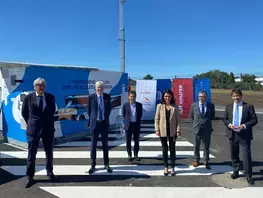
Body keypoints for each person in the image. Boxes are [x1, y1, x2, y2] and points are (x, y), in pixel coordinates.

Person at [22, 77, 57, 188]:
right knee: (31, 154)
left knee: (49, 152)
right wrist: (32, 123)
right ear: (35, 87)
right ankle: (30, 176)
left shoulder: (51, 97)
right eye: (38, 85)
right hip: (33, 129)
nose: (41, 87)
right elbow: (24, 113)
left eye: (42, 85)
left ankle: (49, 172)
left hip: (48, 129)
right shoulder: (28, 98)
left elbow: (52, 112)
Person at [223, 88, 258, 185]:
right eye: (234, 96)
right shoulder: (228, 107)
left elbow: (254, 120)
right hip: (232, 134)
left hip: (244, 135)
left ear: (241, 96)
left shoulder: (248, 106)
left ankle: (248, 175)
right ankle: (236, 171)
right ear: (232, 97)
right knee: (234, 155)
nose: (236, 97)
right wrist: (229, 125)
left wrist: (244, 125)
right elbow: (225, 119)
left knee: (246, 156)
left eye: (237, 95)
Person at [87, 81, 112, 174]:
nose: (99, 89)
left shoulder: (107, 96)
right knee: (93, 146)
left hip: (104, 124)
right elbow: (89, 110)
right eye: (98, 87)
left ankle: (106, 163)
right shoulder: (91, 97)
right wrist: (93, 119)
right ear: (95, 88)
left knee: (105, 145)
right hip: (95, 124)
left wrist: (105, 117)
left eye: (101, 87)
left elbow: (109, 108)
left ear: (103, 88)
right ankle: (93, 165)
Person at [154, 89, 181, 176]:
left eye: (169, 96)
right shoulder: (159, 106)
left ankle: (172, 167)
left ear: (171, 97)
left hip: (172, 132)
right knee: (164, 149)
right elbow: (156, 119)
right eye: (165, 96)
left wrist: (178, 131)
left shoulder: (175, 107)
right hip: (162, 131)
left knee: (172, 150)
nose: (167, 98)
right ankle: (166, 167)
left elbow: (178, 121)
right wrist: (157, 129)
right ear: (163, 97)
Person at [190, 91, 215, 170]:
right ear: (198, 97)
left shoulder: (210, 105)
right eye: (200, 96)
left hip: (207, 129)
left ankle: (206, 161)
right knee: (196, 146)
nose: (201, 98)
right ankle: (196, 160)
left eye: (203, 96)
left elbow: (212, 116)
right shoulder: (193, 105)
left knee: (206, 147)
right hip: (196, 129)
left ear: (206, 97)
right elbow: (192, 116)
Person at [122, 91, 143, 161]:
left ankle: (136, 154)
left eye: (133, 96)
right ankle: (129, 155)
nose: (132, 98)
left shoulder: (139, 105)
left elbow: (140, 115)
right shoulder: (125, 105)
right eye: (131, 96)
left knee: (136, 141)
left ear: (135, 97)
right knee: (128, 141)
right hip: (128, 125)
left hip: (136, 125)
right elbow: (123, 115)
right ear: (128, 97)